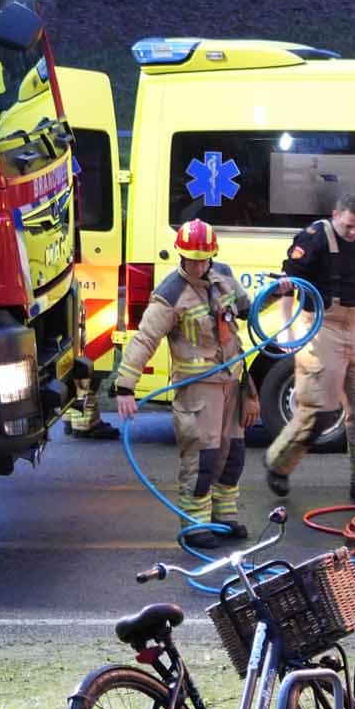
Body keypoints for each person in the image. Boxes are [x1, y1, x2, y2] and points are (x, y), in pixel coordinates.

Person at [110, 220, 259, 546]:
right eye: (192, 259)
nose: (199, 265)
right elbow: (145, 339)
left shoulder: (223, 276)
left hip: (233, 383)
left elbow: (249, 310)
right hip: (198, 390)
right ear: (181, 256)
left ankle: (224, 518)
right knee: (201, 458)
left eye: (204, 259)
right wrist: (125, 387)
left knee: (232, 454)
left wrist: (277, 294)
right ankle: (195, 525)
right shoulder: (170, 293)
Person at [263, 195, 355, 502]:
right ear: (335, 214)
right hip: (321, 327)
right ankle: (278, 463)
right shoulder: (314, 238)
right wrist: (287, 329)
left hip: (354, 327)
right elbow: (289, 283)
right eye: (349, 225)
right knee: (321, 412)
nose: (354, 232)